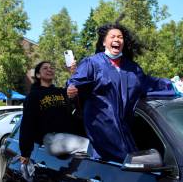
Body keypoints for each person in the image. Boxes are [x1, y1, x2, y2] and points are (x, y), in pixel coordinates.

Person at [67, 23, 176, 162]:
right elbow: (75, 82)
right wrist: (71, 88)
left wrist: (172, 84)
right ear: (104, 42)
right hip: (102, 125)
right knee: (120, 161)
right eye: (112, 36)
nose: (117, 39)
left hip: (125, 129)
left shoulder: (132, 68)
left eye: (120, 37)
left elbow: (149, 83)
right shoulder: (92, 63)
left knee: (132, 161)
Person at [19, 61, 80, 164]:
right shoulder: (34, 95)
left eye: (51, 68)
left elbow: (74, 108)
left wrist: (75, 74)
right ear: (38, 75)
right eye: (45, 68)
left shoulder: (62, 92)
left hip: (68, 144)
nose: (49, 69)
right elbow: (27, 124)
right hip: (47, 146)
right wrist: (25, 152)